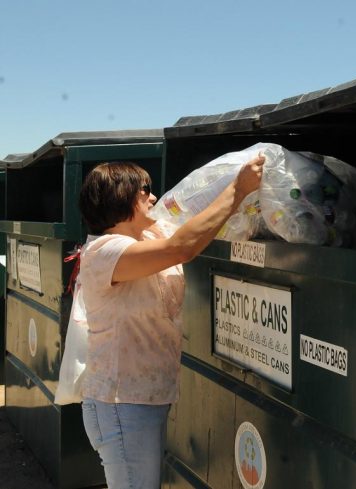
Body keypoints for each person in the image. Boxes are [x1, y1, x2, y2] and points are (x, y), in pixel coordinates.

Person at [76, 154, 264, 489]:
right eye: (142, 191)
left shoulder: (147, 237)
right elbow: (182, 247)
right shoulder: (105, 252)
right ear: (120, 198)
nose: (152, 196)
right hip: (122, 405)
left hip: (146, 399)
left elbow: (195, 217)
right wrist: (239, 188)